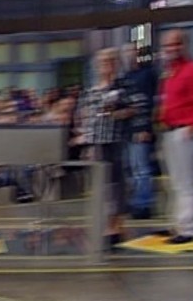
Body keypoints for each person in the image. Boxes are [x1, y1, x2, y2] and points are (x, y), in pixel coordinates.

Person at [70, 48, 127, 246]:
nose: (106, 66)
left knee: (116, 185)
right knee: (100, 186)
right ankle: (102, 224)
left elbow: (132, 110)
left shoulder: (121, 88)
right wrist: (84, 140)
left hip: (115, 141)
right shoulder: (91, 92)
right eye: (103, 62)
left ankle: (115, 225)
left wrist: (117, 113)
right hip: (96, 142)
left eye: (110, 62)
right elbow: (83, 117)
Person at [158, 29, 193, 244]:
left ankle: (188, 228)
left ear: (184, 45)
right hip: (169, 131)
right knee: (174, 182)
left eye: (176, 44)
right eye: (168, 45)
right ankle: (177, 224)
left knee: (186, 181)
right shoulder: (169, 72)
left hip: (185, 131)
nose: (171, 48)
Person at [120, 43, 159, 219]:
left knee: (142, 168)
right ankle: (135, 201)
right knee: (131, 168)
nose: (129, 55)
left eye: (132, 52)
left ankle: (144, 204)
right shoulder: (125, 77)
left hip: (141, 127)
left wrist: (146, 128)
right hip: (127, 129)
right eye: (126, 53)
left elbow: (150, 103)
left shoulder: (148, 74)